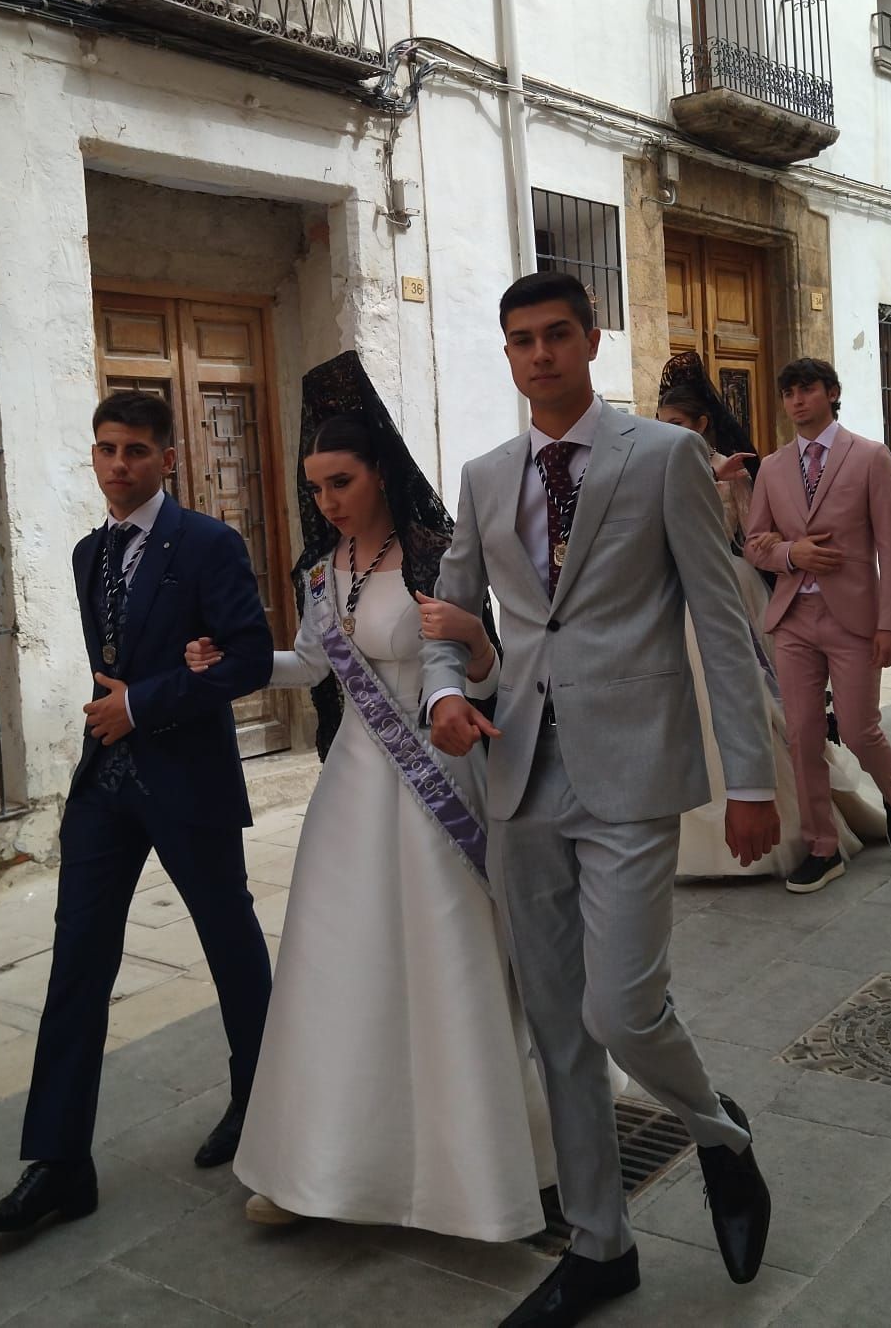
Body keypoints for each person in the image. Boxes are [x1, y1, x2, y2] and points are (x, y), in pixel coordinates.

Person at [424, 272, 775, 1326]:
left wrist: (750, 781)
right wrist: (445, 696)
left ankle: (719, 1135)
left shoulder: (663, 458)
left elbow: (719, 621)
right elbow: (450, 606)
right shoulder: (487, 478)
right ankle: (598, 1244)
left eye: (556, 335)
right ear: (507, 353)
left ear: (587, 341)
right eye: (520, 340)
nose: (538, 354)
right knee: (556, 1025)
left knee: (619, 1007)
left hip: (629, 773)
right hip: (519, 772)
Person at [182, 354, 550, 1240]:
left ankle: (477, 1166)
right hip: (351, 786)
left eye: (340, 482)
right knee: (342, 963)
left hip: (432, 784)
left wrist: (463, 670)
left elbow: (466, 667)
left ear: (379, 469)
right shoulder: (321, 570)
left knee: (444, 962)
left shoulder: (434, 553)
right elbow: (313, 665)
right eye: (316, 489)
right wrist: (231, 669)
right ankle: (325, 1167)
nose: (329, 501)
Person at [0, 391, 274, 1234]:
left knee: (231, 946)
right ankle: (59, 1164)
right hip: (107, 787)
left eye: (136, 450)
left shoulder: (210, 544)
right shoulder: (86, 554)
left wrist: (150, 703)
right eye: (106, 449)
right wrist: (128, 711)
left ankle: (265, 1102)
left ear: (168, 458)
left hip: (186, 779)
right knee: (77, 963)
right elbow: (117, 658)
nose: (119, 465)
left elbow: (246, 658)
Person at [654, 354, 885, 878]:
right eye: (662, 425)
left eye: (678, 425)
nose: (668, 433)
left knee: (752, 703)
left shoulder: (731, 469)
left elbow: (755, 538)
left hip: (725, 592)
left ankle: (791, 816)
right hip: (673, 602)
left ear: (701, 424)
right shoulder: (657, 466)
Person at [744, 356, 891, 894]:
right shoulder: (772, 468)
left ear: (831, 393)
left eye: (807, 389)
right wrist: (793, 554)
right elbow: (755, 544)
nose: (797, 400)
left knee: (859, 726)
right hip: (794, 617)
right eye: (789, 392)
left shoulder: (868, 456)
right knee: (802, 733)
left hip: (854, 618)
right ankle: (822, 846)